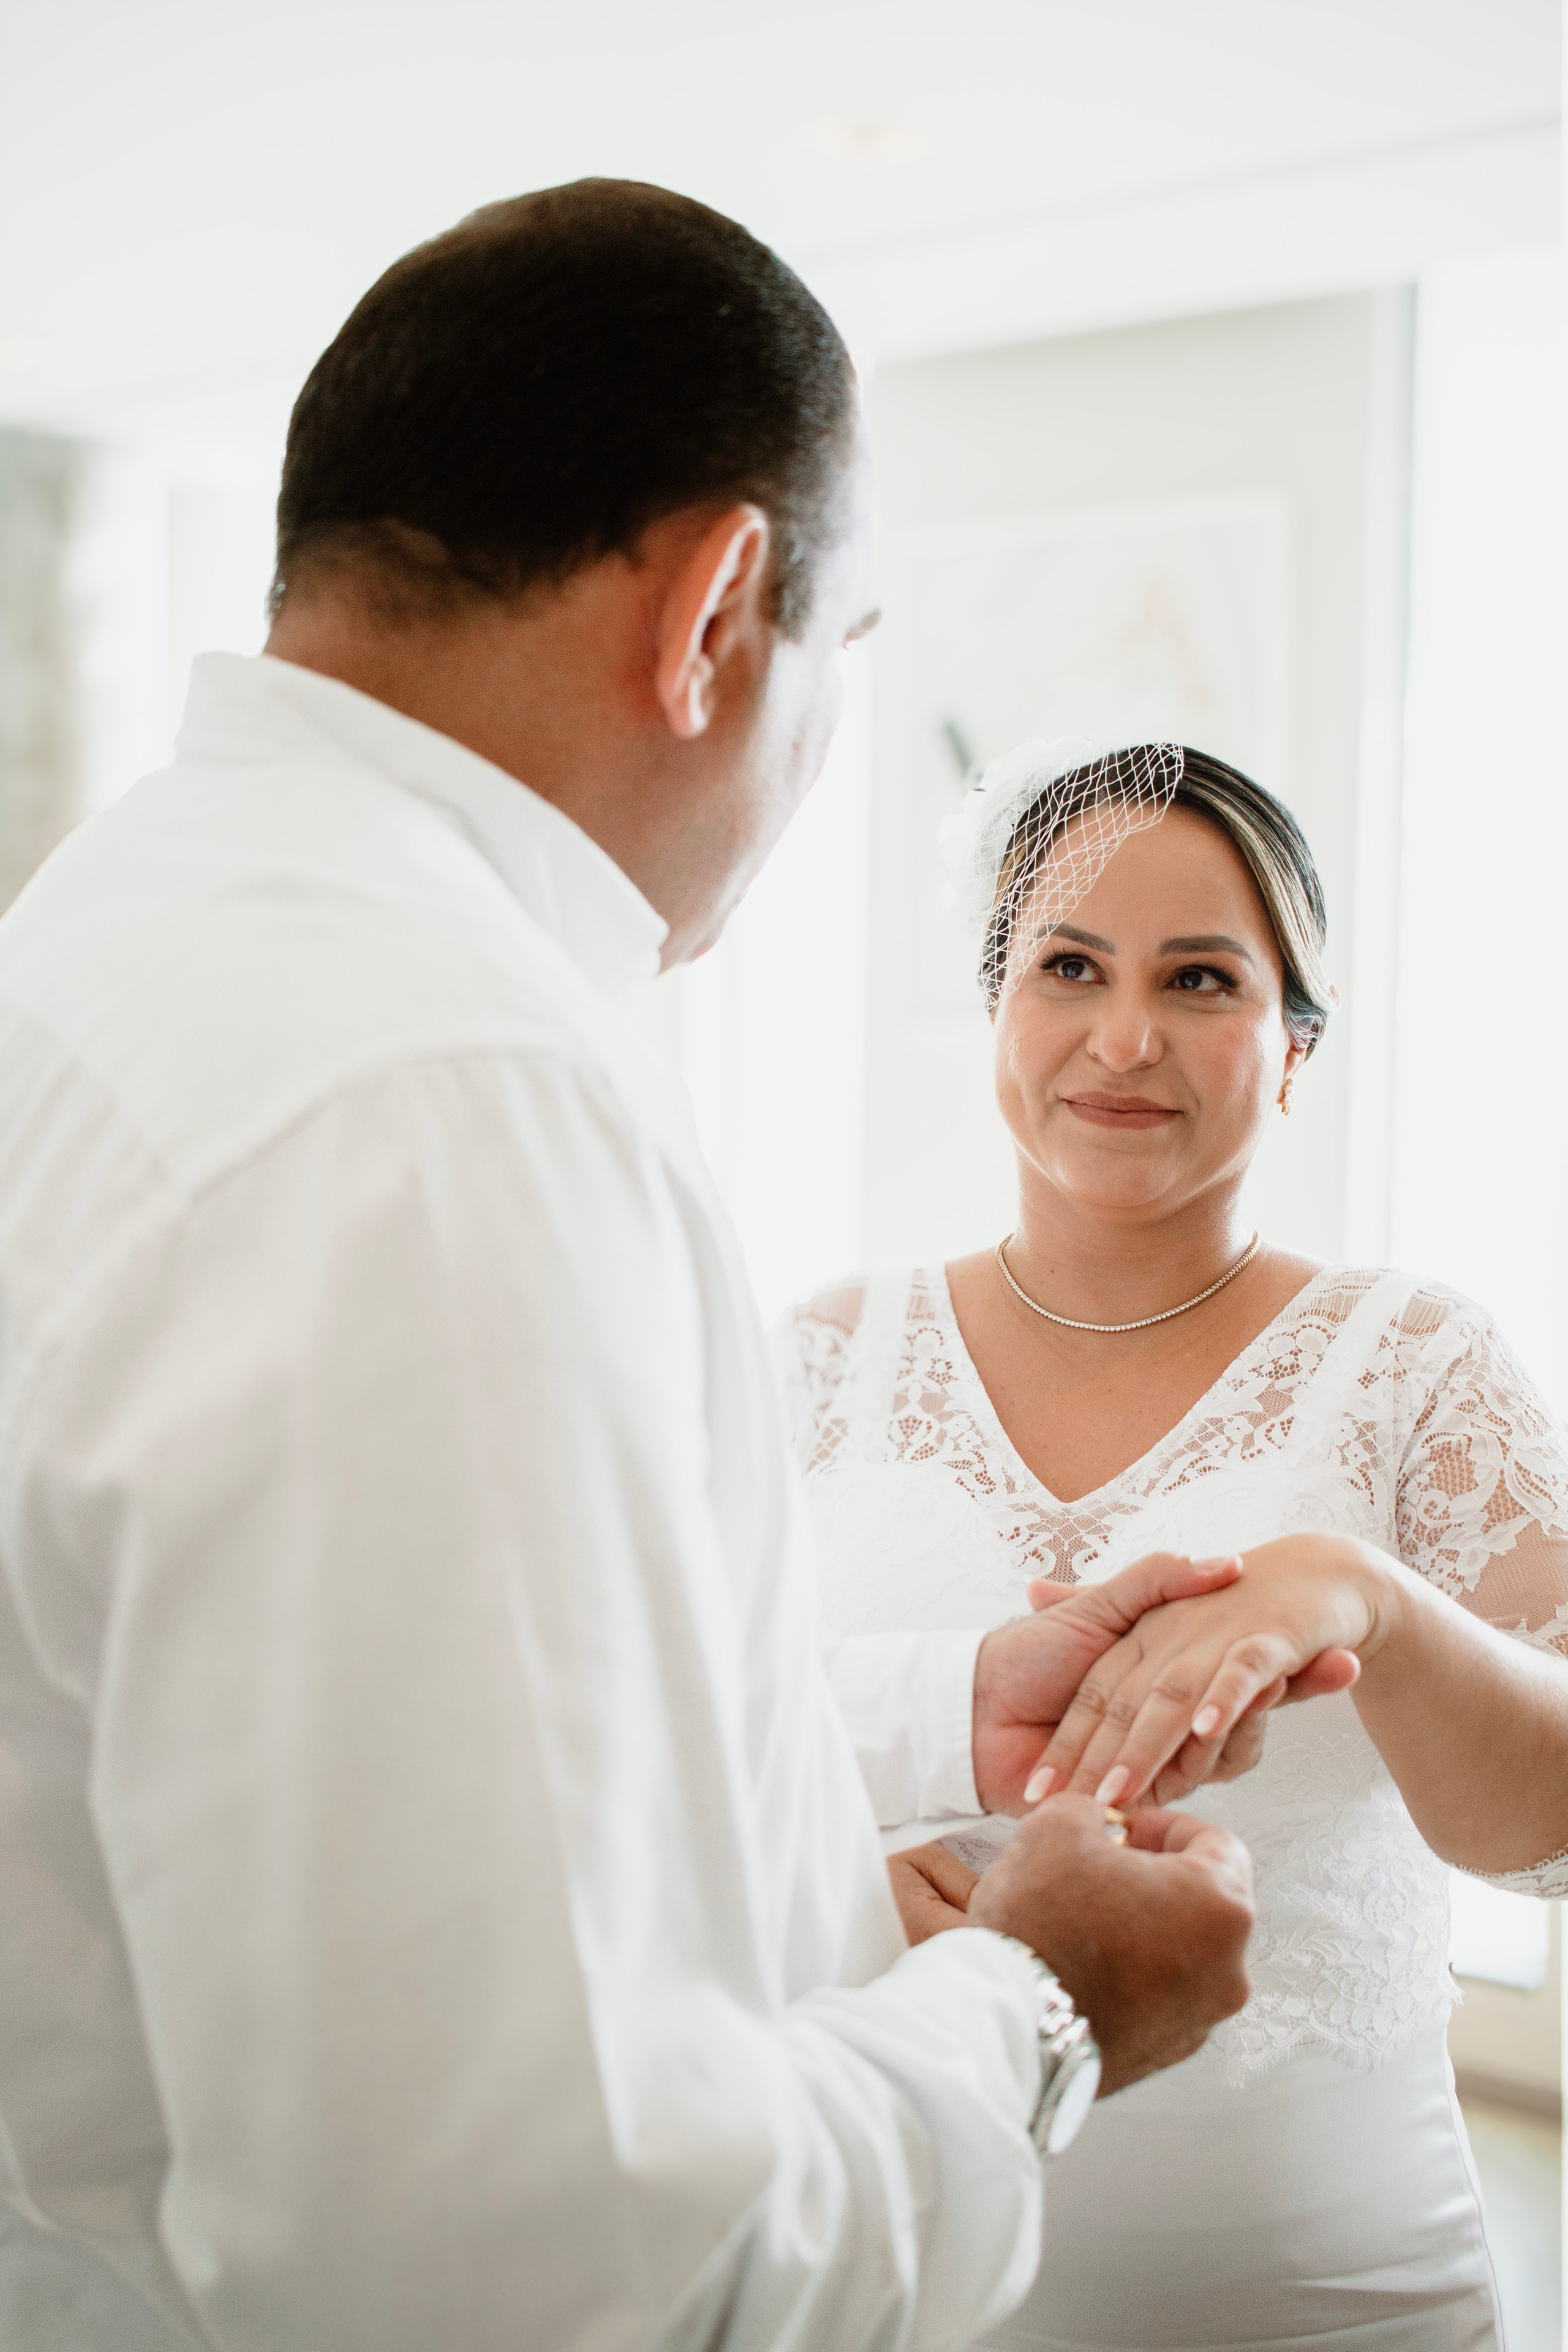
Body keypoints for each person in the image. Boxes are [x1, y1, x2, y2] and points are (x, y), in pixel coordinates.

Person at [0, 190, 1267, 2352]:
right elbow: (540, 2269)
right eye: (841, 670)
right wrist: (1034, 2009)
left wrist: (928, 1709)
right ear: (717, 612)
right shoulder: (445, 1095)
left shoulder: (108, 929)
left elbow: (354, 1734)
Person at [777, 738, 1568, 2352]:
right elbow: (666, 1764)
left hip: (1331, 2300)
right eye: (1069, 966)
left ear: (1294, 1050)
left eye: (1202, 979)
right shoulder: (815, 1358)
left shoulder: (1417, 1361)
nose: (1123, 1036)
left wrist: (1375, 1605)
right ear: (999, 1011)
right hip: (886, 2274)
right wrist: (836, 1897)